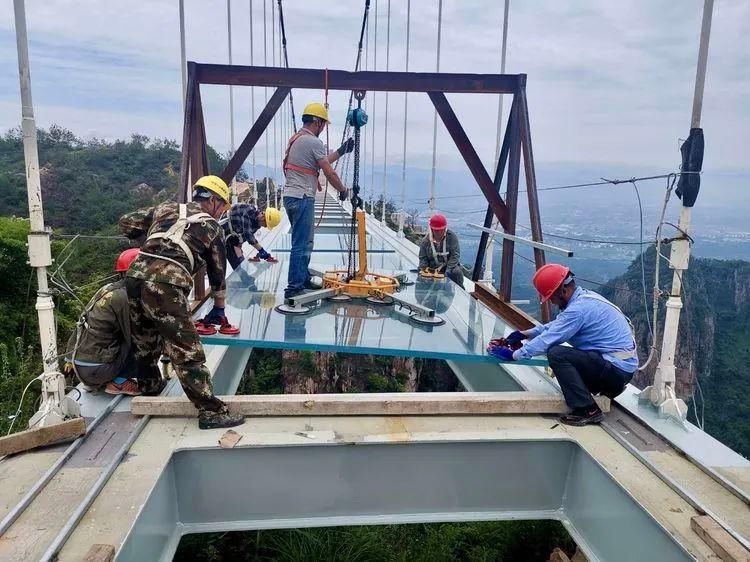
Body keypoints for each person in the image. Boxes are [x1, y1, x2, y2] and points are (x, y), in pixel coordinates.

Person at [119, 175, 244, 430]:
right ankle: (211, 411)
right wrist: (219, 310)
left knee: (145, 340)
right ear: (213, 200)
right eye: (222, 206)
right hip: (166, 282)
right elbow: (218, 275)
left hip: (134, 275)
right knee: (186, 349)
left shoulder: (164, 208)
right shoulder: (212, 227)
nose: (221, 212)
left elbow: (127, 222)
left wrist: (153, 238)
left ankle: (150, 388)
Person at [490, 264, 637, 426]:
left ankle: (588, 410)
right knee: (564, 356)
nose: (552, 302)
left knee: (557, 354)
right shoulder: (584, 299)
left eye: (551, 297)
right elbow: (555, 326)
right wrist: (525, 334)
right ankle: (594, 395)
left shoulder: (578, 310)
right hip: (615, 368)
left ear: (563, 290)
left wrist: (514, 355)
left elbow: (549, 339)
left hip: (616, 372)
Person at [282, 102, 352, 299]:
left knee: (305, 241)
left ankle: (302, 279)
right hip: (303, 196)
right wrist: (343, 190)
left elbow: (321, 161)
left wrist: (341, 151)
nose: (323, 128)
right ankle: (294, 287)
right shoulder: (313, 142)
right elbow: (328, 171)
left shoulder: (297, 139)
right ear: (317, 122)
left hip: (292, 196)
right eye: (323, 124)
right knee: (301, 243)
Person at [63, 248, 142, 396]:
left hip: (79, 365)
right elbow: (134, 334)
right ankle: (119, 382)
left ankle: (100, 382)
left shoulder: (108, 289)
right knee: (141, 337)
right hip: (97, 369)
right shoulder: (123, 297)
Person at [223, 204, 281, 269]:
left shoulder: (257, 224)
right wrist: (261, 250)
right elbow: (248, 235)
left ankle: (243, 274)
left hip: (234, 235)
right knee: (237, 264)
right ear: (263, 218)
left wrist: (238, 248)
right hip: (224, 229)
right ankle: (242, 275)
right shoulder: (249, 211)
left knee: (240, 262)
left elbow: (244, 238)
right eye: (265, 225)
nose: (264, 227)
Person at [418, 213, 464, 288]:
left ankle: (460, 290)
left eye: (441, 230)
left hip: (448, 266)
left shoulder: (452, 237)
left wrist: (448, 269)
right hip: (432, 266)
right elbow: (423, 257)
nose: (439, 232)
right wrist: (424, 269)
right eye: (436, 230)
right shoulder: (426, 241)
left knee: (457, 272)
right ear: (432, 229)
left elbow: (455, 256)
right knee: (421, 273)